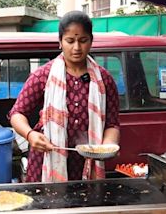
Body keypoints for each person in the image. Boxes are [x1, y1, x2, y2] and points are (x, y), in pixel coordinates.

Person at [8, 10, 120, 183]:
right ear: (60, 42)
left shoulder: (104, 80)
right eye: (70, 41)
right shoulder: (42, 76)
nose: (77, 47)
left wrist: (106, 148)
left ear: (91, 41)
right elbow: (17, 114)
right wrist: (30, 135)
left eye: (83, 40)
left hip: (87, 164)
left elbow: (112, 124)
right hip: (47, 160)